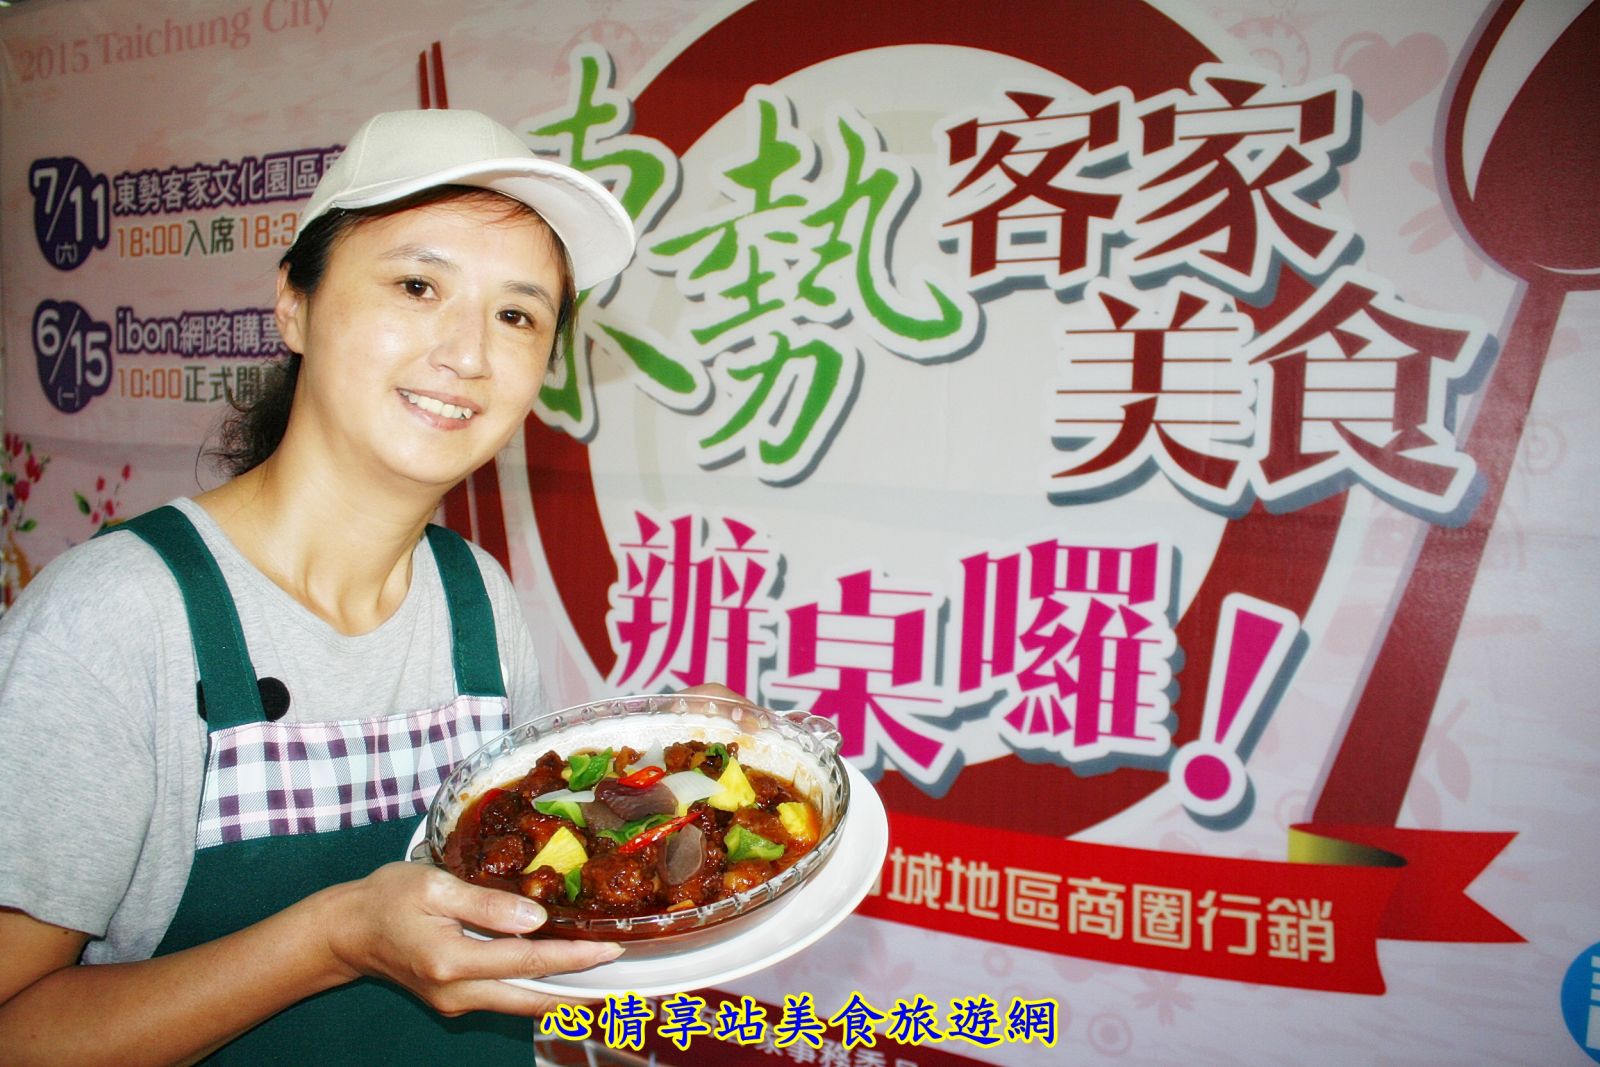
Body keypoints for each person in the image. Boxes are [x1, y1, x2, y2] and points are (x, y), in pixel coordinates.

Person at [0, 109, 641, 1064]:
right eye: (417, 285)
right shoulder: (118, 618)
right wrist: (332, 940)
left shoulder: (477, 600)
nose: (467, 354)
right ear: (293, 304)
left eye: (517, 315)